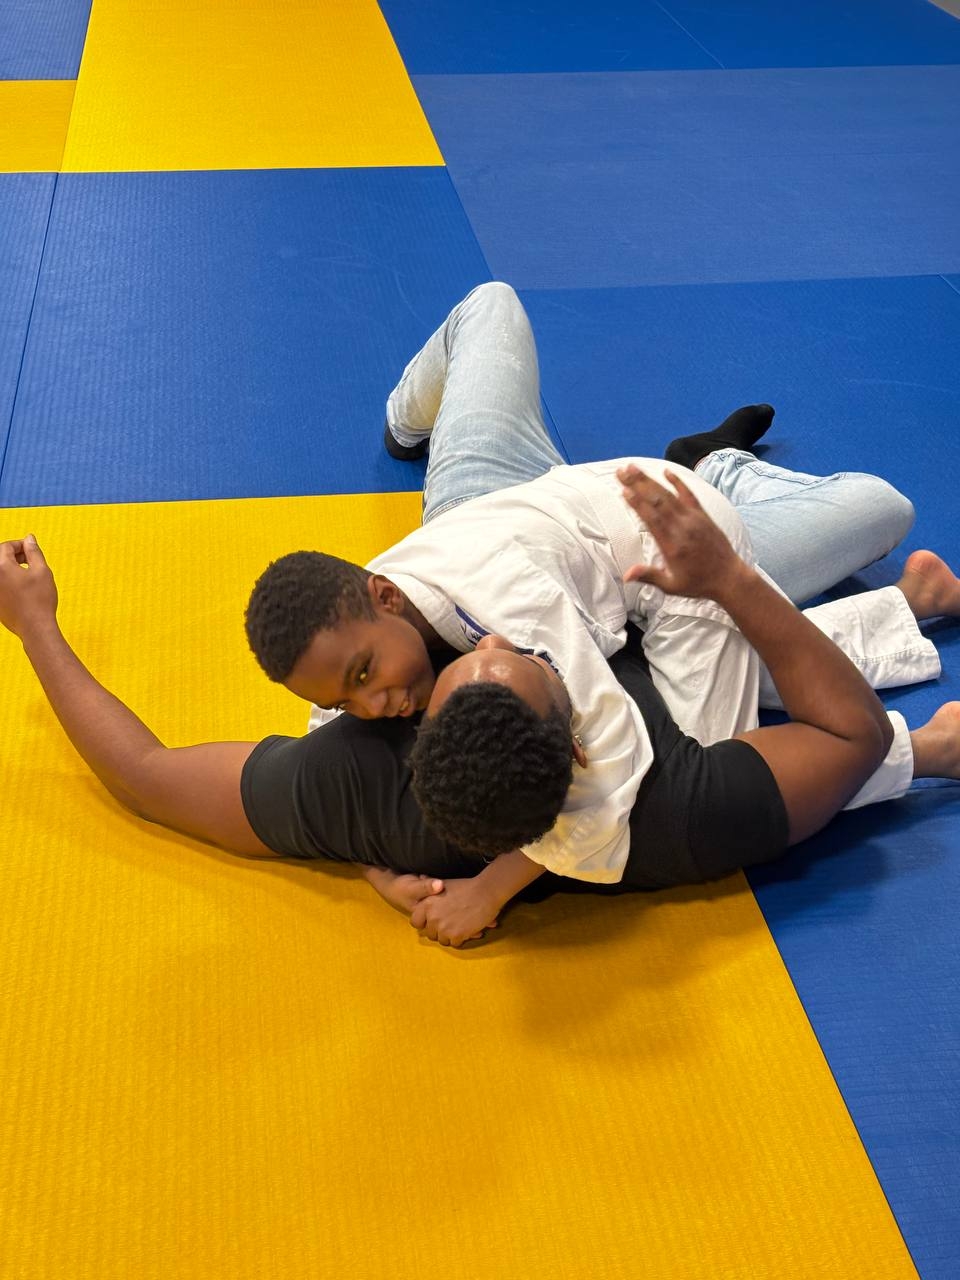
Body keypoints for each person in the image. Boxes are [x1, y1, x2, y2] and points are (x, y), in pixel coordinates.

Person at [244, 283, 937, 899]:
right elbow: (330, 747)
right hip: (521, 510)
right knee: (490, 308)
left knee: (705, 769)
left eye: (365, 677)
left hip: (665, 559)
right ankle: (406, 422)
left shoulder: (518, 614)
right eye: (348, 697)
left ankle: (719, 468)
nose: (372, 707)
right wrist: (376, 869)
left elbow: (619, 774)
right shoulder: (347, 624)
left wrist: (491, 887)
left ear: (385, 597)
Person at [3, 533, 959, 949]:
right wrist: (733, 584)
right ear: (582, 743)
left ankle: (889, 607)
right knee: (861, 519)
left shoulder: (353, 792)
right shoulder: (678, 808)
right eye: (507, 655)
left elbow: (145, 773)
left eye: (469, 657)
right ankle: (870, 592)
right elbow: (848, 732)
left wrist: (35, 624)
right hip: (632, 559)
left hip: (534, 534)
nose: (490, 638)